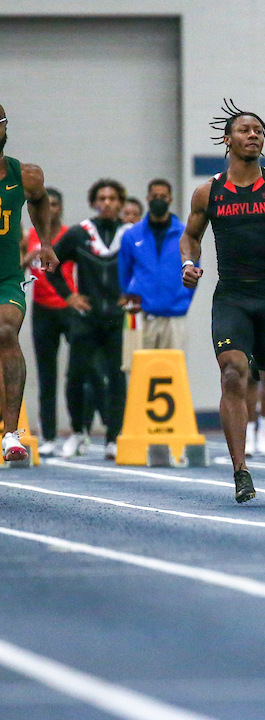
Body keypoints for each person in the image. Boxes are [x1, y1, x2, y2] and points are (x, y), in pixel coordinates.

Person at [181, 102, 265, 503]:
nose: (252, 134)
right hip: (232, 297)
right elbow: (191, 236)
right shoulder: (209, 191)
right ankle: (241, 470)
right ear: (228, 140)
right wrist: (189, 262)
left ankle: (259, 361)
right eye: (244, 129)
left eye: (258, 130)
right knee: (233, 374)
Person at [51, 179, 131, 459]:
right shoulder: (79, 233)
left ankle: (113, 437)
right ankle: (77, 432)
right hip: (86, 318)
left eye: (112, 198)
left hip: (116, 319)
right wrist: (68, 296)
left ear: (121, 203)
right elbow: (51, 263)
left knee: (117, 378)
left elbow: (148, 268)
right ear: (94, 202)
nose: (107, 203)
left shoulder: (131, 234)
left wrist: (135, 295)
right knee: (75, 376)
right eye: (102, 198)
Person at [0, 104, 59, 462]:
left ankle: (10, 435)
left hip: (6, 278)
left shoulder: (27, 175)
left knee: (6, 332)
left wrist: (46, 243)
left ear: (5, 128)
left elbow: (40, 202)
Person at [22, 187, 74, 454]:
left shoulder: (70, 236)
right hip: (42, 309)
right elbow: (15, 267)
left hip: (68, 307)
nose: (50, 209)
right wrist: (29, 256)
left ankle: (79, 432)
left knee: (76, 373)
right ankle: (49, 436)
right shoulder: (30, 237)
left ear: (60, 208)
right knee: (46, 374)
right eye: (47, 204)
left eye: (55, 204)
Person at [118, 178, 195, 354]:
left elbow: (192, 271)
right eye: (155, 196)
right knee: (139, 370)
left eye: (163, 196)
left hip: (175, 317)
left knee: (172, 371)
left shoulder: (185, 235)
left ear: (170, 199)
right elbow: (124, 273)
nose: (159, 199)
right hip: (143, 317)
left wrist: (182, 300)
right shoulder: (132, 235)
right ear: (148, 198)